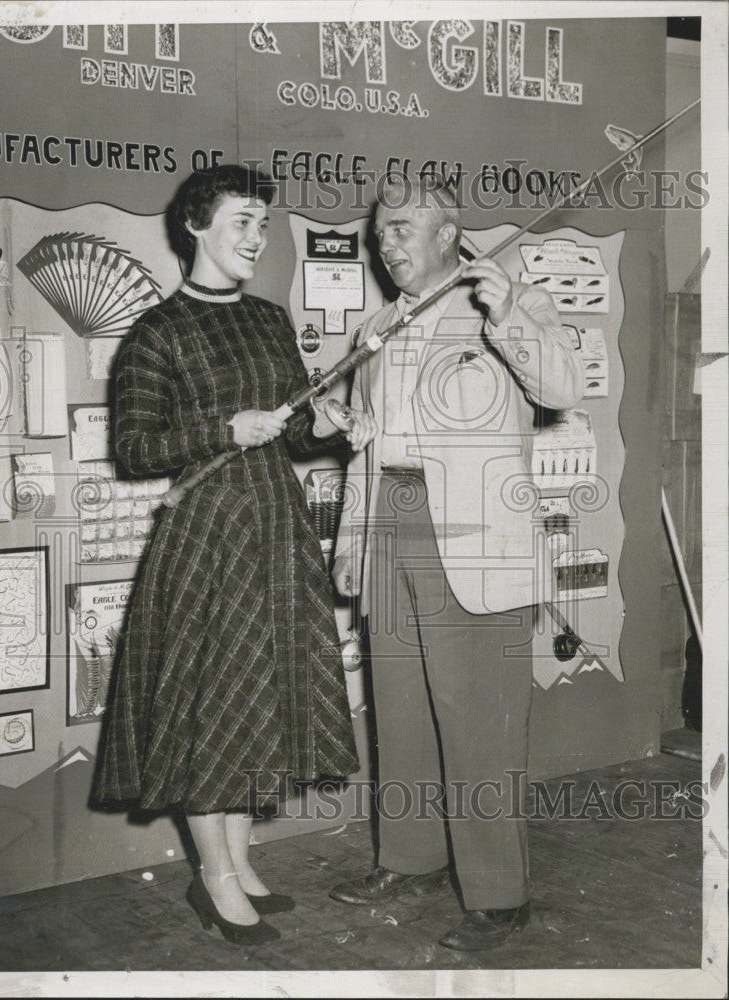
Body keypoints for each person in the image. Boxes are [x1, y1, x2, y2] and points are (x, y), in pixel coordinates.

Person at [92, 164, 376, 946]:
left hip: (275, 530)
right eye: (243, 222)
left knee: (258, 699)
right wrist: (224, 430)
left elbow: (291, 428)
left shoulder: (267, 320)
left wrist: (330, 424)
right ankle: (213, 877)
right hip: (208, 537)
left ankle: (241, 862)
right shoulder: (158, 332)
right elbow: (135, 447)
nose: (257, 237)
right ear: (196, 226)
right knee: (211, 705)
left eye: (262, 223)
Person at [328, 176, 585, 950]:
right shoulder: (376, 324)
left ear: (447, 233)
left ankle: (498, 898)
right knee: (400, 712)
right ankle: (410, 859)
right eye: (380, 230)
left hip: (475, 539)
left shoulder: (506, 300)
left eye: (402, 227)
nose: (385, 241)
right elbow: (364, 448)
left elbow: (561, 386)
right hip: (389, 527)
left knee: (478, 727)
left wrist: (509, 312)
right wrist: (349, 540)